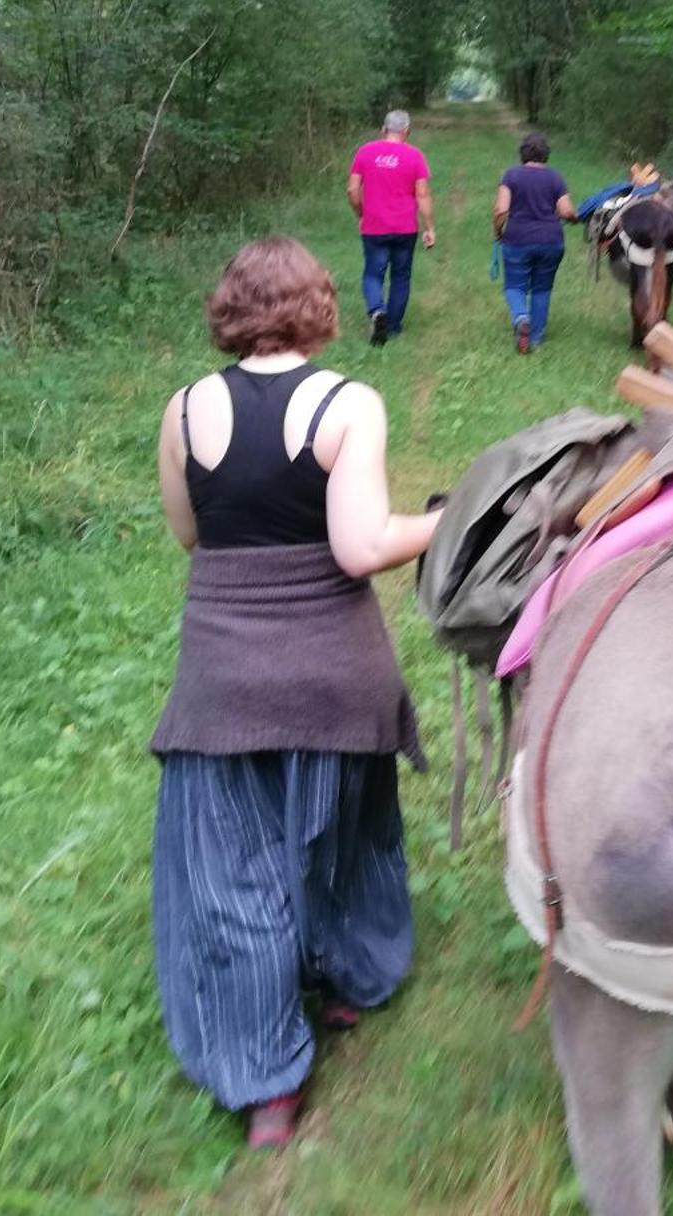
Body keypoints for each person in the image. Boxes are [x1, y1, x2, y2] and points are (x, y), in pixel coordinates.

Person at [151, 237, 437, 1149]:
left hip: (222, 679)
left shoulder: (184, 410)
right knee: (339, 839)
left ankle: (266, 1084)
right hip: (332, 672)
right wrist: (442, 521)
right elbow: (359, 549)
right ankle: (348, 981)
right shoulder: (348, 403)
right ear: (319, 306)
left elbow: (191, 537)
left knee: (235, 875)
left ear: (229, 308)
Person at [347, 110, 435, 346]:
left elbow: (352, 190)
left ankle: (377, 311)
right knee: (400, 276)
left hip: (374, 226)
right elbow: (423, 194)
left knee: (373, 273)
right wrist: (430, 227)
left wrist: (361, 214)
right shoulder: (415, 156)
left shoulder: (365, 152)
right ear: (406, 131)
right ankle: (393, 327)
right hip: (405, 228)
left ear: (383, 129)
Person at [493, 131, 577, 353]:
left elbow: (501, 210)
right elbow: (567, 210)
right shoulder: (555, 177)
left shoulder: (511, 176)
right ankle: (536, 339)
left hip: (518, 240)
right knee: (542, 289)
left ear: (522, 154)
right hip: (551, 240)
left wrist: (498, 231)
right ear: (545, 155)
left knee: (514, 286)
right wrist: (574, 217)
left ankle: (521, 318)